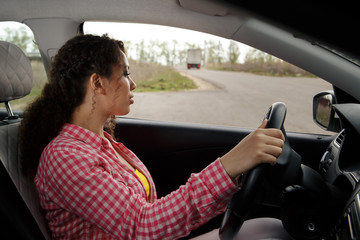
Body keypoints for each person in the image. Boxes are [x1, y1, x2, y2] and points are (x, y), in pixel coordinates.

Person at [19, 34, 290, 239]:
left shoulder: (105, 145)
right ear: (97, 83)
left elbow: (148, 216)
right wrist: (229, 164)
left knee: (270, 229)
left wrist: (234, 176)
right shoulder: (64, 156)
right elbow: (141, 225)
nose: (133, 83)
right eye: (125, 73)